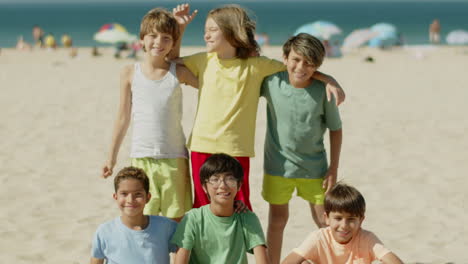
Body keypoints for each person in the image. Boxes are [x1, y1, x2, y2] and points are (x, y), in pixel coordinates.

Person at [172, 4, 346, 211]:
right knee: (202, 205)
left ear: (231, 31)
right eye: (205, 31)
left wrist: (329, 79)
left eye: (212, 30)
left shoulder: (256, 66)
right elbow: (170, 61)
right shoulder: (202, 60)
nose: (206, 36)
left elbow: (297, 68)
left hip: (235, 148)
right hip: (201, 145)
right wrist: (180, 28)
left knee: (239, 205)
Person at [101, 7, 198, 222]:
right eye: (153, 36)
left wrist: (179, 29)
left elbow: (208, 87)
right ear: (142, 40)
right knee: (145, 220)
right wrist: (111, 156)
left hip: (174, 158)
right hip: (141, 157)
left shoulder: (178, 71)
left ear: (173, 43)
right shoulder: (129, 72)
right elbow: (123, 117)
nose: (158, 42)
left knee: (177, 222)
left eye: (166, 38)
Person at [260, 33, 342, 264]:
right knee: (277, 221)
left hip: (316, 169)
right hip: (278, 167)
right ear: (285, 58)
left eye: (309, 63)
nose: (301, 67)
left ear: (317, 66)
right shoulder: (271, 82)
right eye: (296, 59)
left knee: (324, 221)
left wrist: (333, 168)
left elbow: (336, 130)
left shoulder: (324, 92)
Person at [171, 153, 269, 264]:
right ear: (204, 187)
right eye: (215, 179)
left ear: (239, 185)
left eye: (230, 179)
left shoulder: (247, 218)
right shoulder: (192, 218)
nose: (222, 185)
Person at [281, 183, 404, 264]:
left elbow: (392, 260)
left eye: (351, 219)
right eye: (338, 218)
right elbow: (289, 261)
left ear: (361, 220)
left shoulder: (367, 238)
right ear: (327, 218)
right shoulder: (318, 238)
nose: (344, 225)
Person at [91, 167, 177, 264]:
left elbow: (185, 252)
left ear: (148, 197)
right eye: (124, 194)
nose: (130, 200)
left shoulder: (167, 227)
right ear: (115, 197)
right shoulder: (104, 231)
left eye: (138, 194)